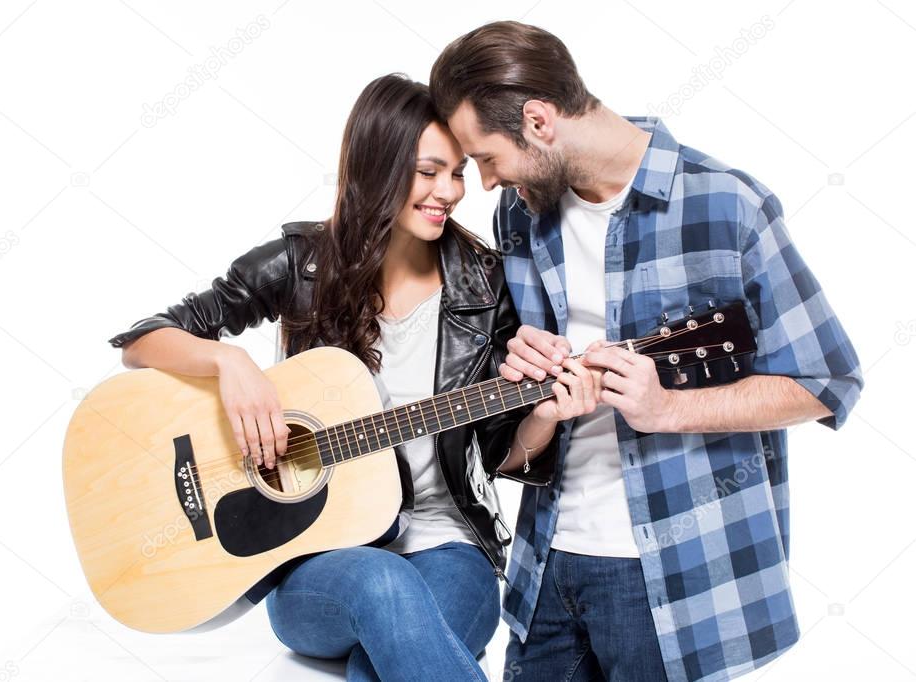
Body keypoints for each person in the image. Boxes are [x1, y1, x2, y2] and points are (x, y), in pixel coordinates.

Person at [108, 73, 593, 682]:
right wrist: (228, 363)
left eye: (460, 171)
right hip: (319, 563)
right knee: (382, 583)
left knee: (380, 665)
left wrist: (542, 416)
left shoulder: (487, 285)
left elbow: (502, 452)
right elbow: (143, 339)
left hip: (449, 547)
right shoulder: (302, 262)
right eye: (428, 171)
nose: (450, 191)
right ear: (378, 165)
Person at [429, 21, 864, 682]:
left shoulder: (726, 206)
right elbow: (518, 429)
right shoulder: (521, 215)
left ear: (538, 121)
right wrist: (528, 379)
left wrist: (669, 409)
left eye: (485, 157)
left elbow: (827, 379)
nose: (485, 182)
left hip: (674, 580)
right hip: (545, 562)